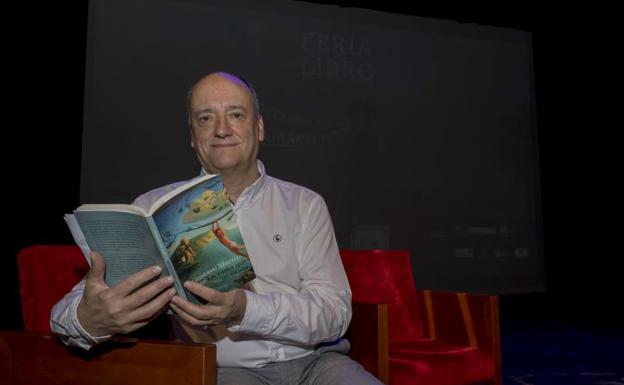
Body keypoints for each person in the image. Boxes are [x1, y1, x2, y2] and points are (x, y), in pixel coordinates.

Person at [51, 72, 383, 384]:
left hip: (318, 364)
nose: (221, 130)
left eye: (236, 115)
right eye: (205, 118)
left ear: (260, 128)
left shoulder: (304, 204)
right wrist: (90, 320)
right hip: (226, 371)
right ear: (193, 137)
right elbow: (66, 314)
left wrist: (245, 309)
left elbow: (335, 313)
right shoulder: (153, 209)